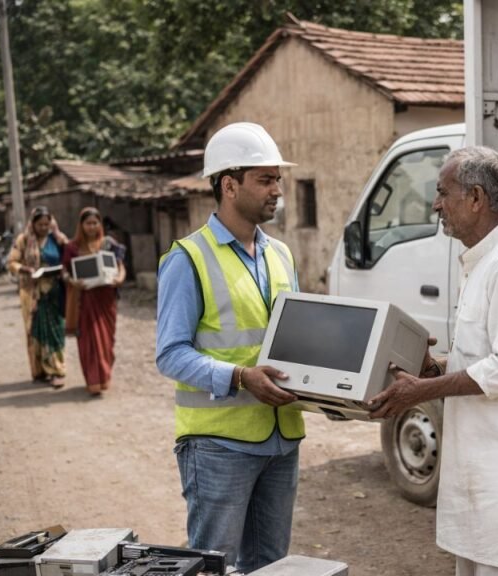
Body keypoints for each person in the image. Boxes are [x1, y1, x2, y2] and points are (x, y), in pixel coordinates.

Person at [369, 146, 498, 576]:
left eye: (443, 193)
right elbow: (483, 357)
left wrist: (423, 391)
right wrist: (434, 367)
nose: (437, 204)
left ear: (475, 198)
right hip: (483, 471)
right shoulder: (483, 263)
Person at [155, 122, 304, 572]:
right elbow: (170, 353)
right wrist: (240, 377)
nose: (277, 189)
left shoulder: (280, 254)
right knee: (213, 565)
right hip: (218, 445)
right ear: (229, 184)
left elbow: (295, 337)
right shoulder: (188, 258)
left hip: (281, 438)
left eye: (278, 179)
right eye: (265, 179)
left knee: (271, 565)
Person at [62, 207, 126, 396]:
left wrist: (120, 279)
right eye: (88, 223)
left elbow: (121, 266)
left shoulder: (108, 244)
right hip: (85, 299)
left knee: (106, 342)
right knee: (89, 341)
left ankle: (104, 376)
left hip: (106, 300)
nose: (91, 227)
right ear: (81, 225)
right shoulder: (72, 247)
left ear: (100, 224)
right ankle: (93, 381)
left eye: (95, 223)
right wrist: (72, 281)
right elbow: (64, 271)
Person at [7, 206, 70, 389]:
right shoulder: (24, 240)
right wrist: (26, 270)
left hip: (54, 292)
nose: (43, 228)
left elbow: (69, 255)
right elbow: (12, 262)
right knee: (35, 332)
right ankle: (40, 371)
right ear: (33, 224)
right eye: (40, 224)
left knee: (56, 331)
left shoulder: (57, 239)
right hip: (32, 294)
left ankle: (57, 370)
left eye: (46, 224)